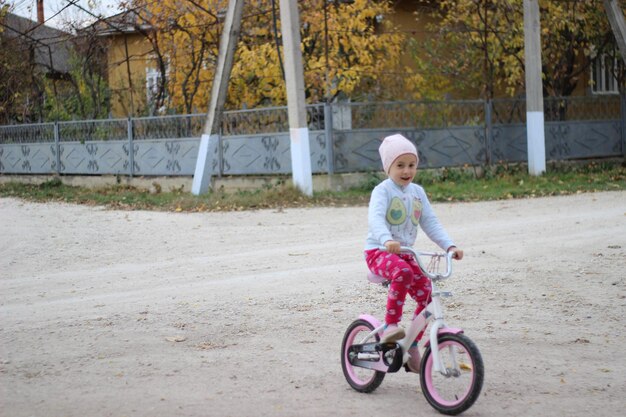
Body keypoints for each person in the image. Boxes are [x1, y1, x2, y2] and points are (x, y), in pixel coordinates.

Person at [364, 133, 464, 373]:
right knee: (402, 272)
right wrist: (386, 239)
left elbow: (430, 222)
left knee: (427, 297)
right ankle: (390, 326)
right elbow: (375, 219)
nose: (406, 170)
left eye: (412, 165)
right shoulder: (383, 191)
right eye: (400, 165)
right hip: (379, 251)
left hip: (406, 253)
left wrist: (449, 246)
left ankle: (412, 344)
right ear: (388, 167)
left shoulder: (418, 192)